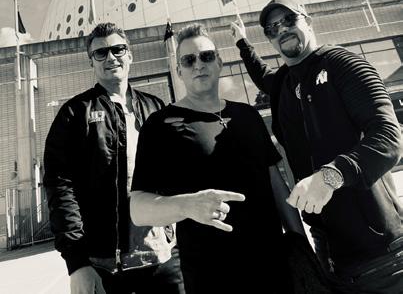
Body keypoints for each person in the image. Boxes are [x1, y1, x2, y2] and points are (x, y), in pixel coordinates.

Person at [230, 0, 403, 293]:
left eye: (289, 20)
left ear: (307, 21)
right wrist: (242, 43)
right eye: (272, 28)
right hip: (329, 252)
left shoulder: (342, 64)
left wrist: (330, 175)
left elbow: (388, 137)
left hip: (380, 252)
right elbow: (261, 74)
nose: (282, 30)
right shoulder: (283, 83)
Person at [130, 23, 305, 294]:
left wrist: (301, 246)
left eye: (206, 56)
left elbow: (276, 185)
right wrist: (187, 206)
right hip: (211, 276)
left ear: (219, 62)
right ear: (179, 71)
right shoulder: (160, 125)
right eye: (188, 60)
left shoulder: (248, 115)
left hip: (274, 269)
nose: (198, 64)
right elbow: (138, 209)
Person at [43, 22, 184, 294]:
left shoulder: (154, 107)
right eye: (101, 52)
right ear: (91, 62)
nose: (111, 57)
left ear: (129, 55)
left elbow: (175, 175)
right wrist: (77, 264)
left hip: (164, 257)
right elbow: (60, 188)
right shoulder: (74, 114)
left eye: (118, 49)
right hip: (106, 266)